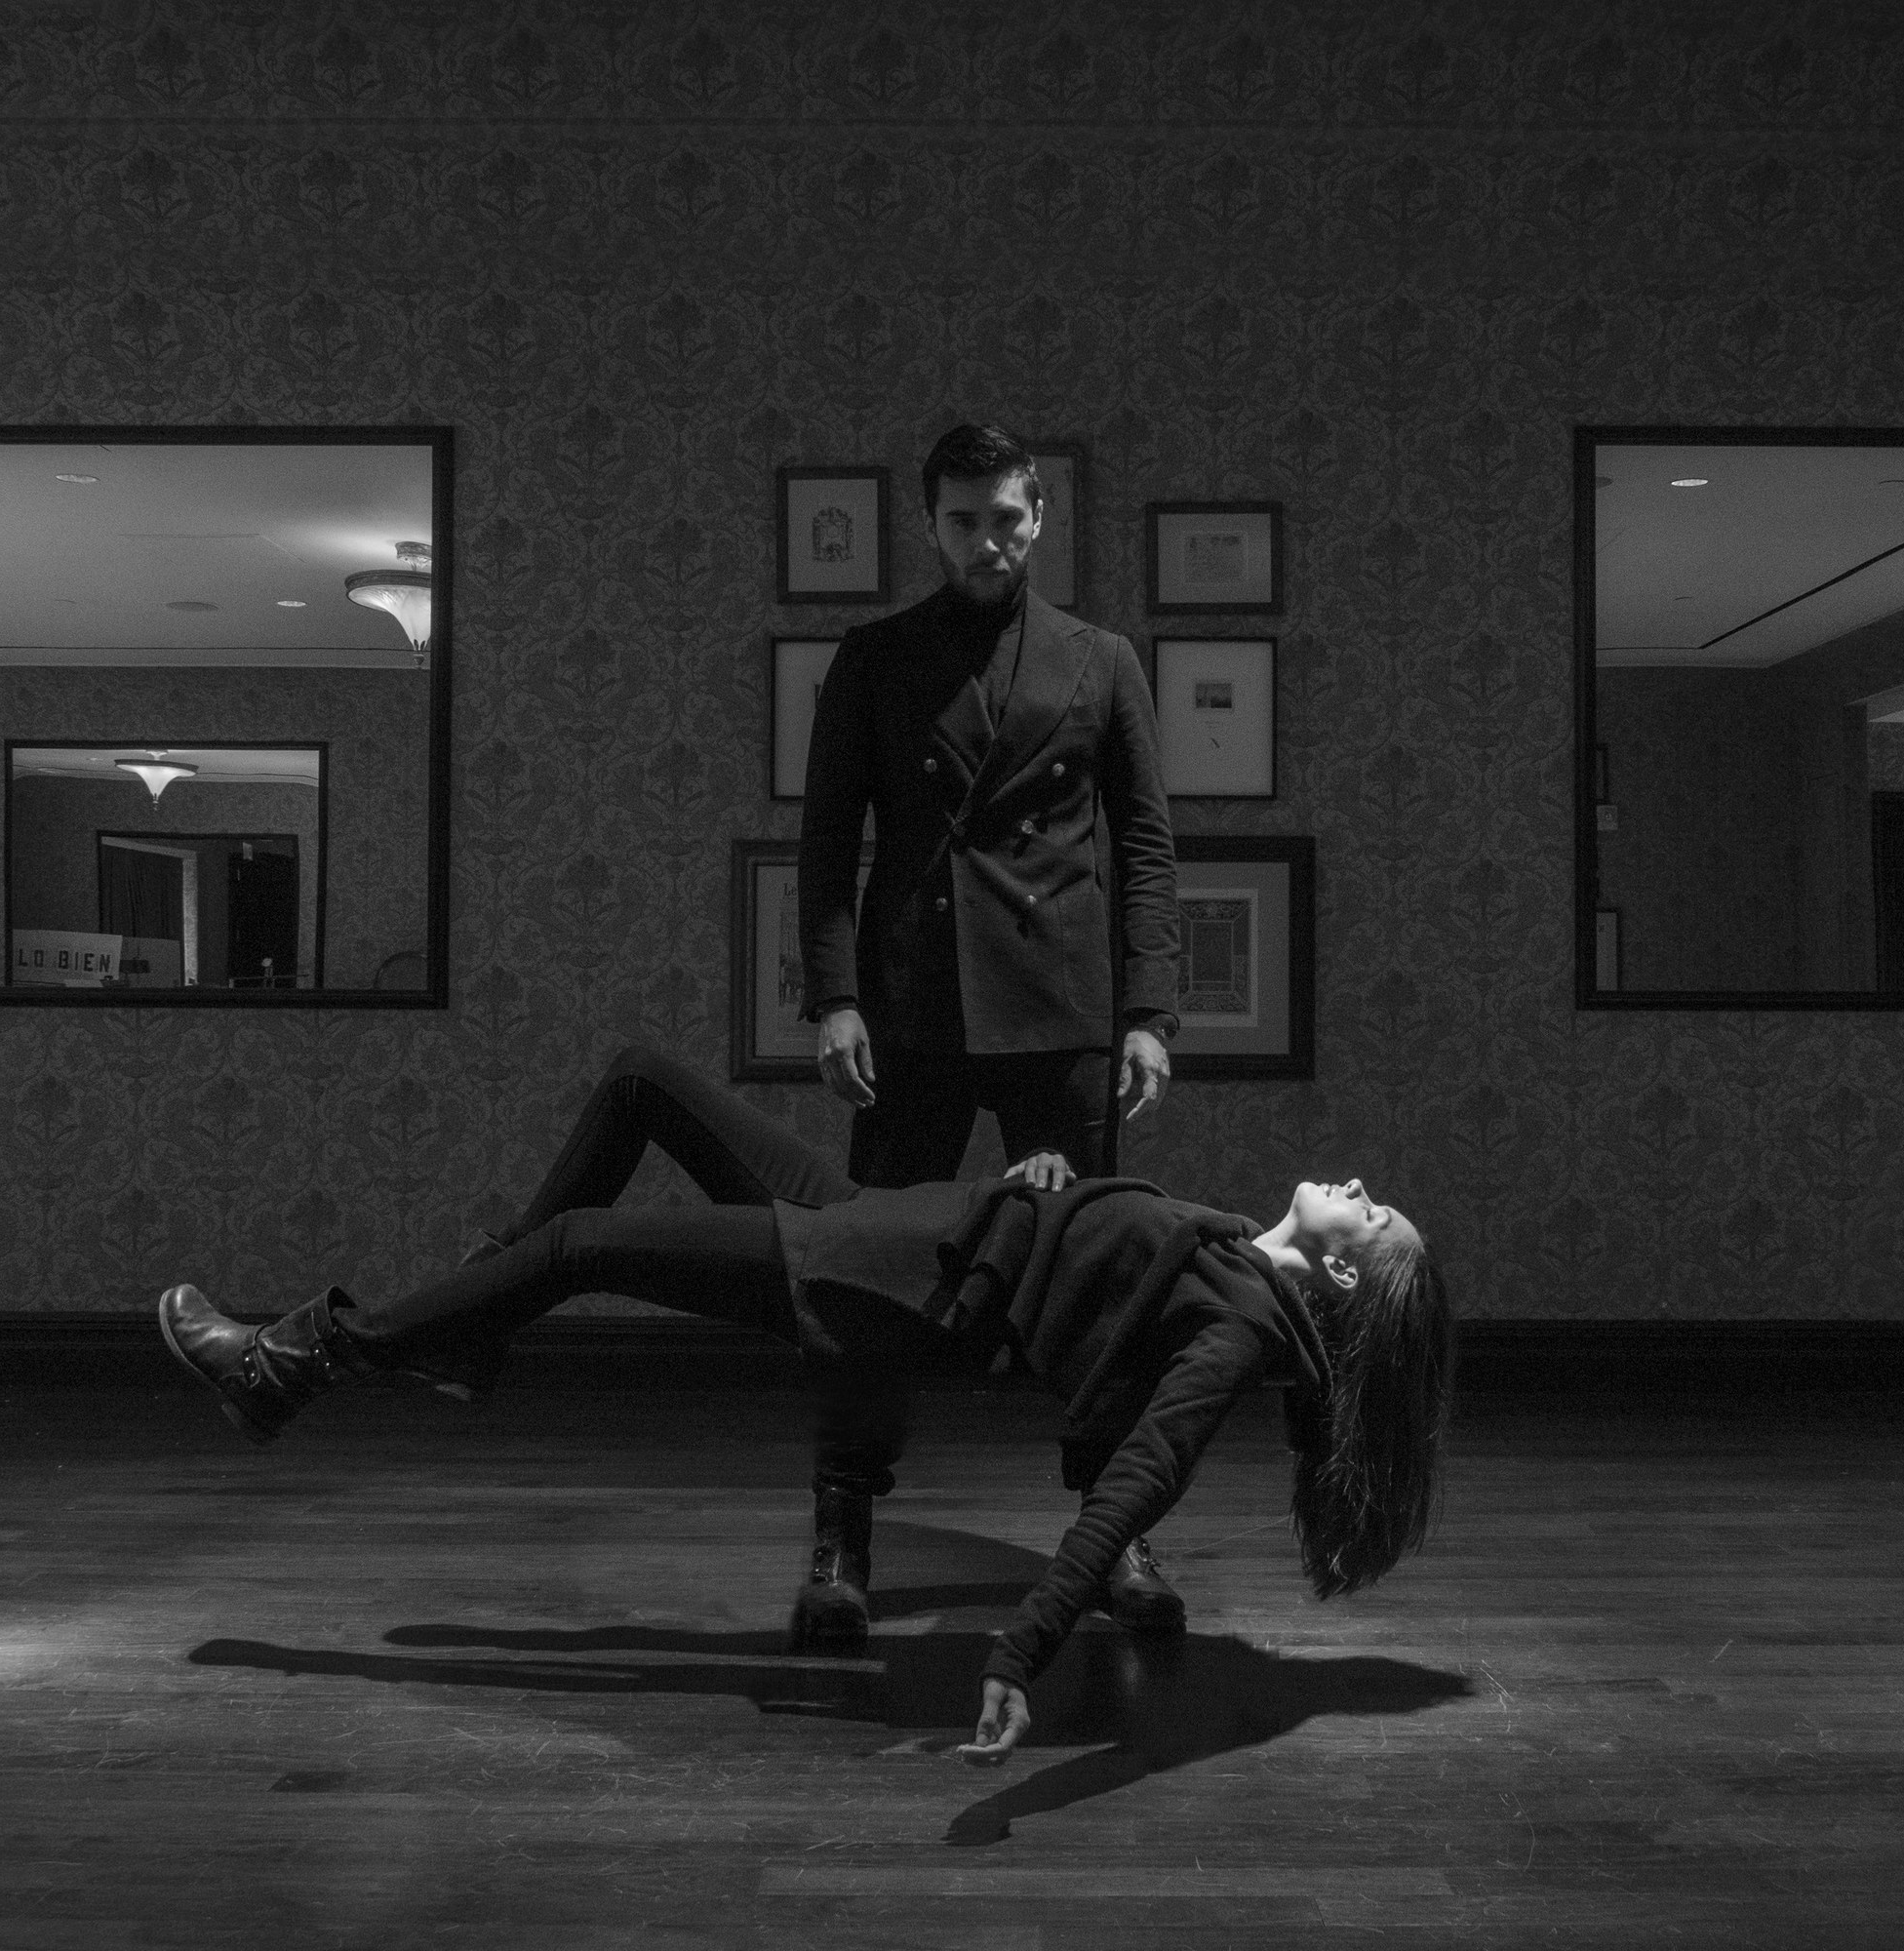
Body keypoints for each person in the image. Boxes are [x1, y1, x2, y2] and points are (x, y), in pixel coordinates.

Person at [156, 1047, 1454, 1763]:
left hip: (880, 1274)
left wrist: (1017, 1654)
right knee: (640, 1085)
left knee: (572, 1253)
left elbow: (1138, 1481)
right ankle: (469, 1335)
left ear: (1343, 1271)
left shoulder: (1237, 1324)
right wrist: (1045, 1194)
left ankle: (295, 1364)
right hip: (890, 1218)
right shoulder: (1237, 1255)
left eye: (1372, 1211)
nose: (1356, 1183)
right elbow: (1082, 1268)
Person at [797, 421, 1187, 1629]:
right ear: (932, 525)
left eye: (1006, 518)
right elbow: (823, 847)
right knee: (867, 1280)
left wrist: (1150, 1012)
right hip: (911, 1004)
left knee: (1099, 1286)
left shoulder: (1102, 658)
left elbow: (1147, 847)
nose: (986, 540)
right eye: (963, 520)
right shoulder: (873, 658)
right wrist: (835, 995)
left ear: (1039, 517)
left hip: (1061, 1004)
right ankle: (841, 1543)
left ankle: (1113, 1541)